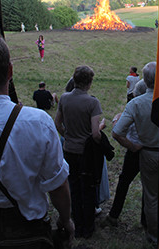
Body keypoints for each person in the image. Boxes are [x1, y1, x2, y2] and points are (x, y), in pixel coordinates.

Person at [0, 34, 74, 248]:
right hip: (28, 233)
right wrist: (65, 220)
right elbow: (58, 186)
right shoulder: (38, 122)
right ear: (10, 72)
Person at [112, 62, 159, 245]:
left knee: (152, 196)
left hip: (148, 152)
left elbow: (117, 132)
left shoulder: (136, 103)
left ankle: (154, 235)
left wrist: (132, 147)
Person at [55, 66, 103, 239]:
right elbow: (96, 133)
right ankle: (88, 228)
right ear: (89, 83)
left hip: (69, 149)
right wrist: (101, 127)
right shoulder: (92, 102)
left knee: (73, 187)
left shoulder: (65, 99)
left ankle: (77, 222)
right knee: (88, 189)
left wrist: (67, 136)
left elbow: (57, 124)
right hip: (86, 153)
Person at [104, 79, 147, 227]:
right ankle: (145, 221)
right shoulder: (154, 106)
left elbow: (117, 132)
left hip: (135, 151)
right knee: (148, 187)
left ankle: (114, 214)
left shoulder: (134, 107)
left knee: (123, 182)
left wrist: (116, 119)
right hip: (150, 151)